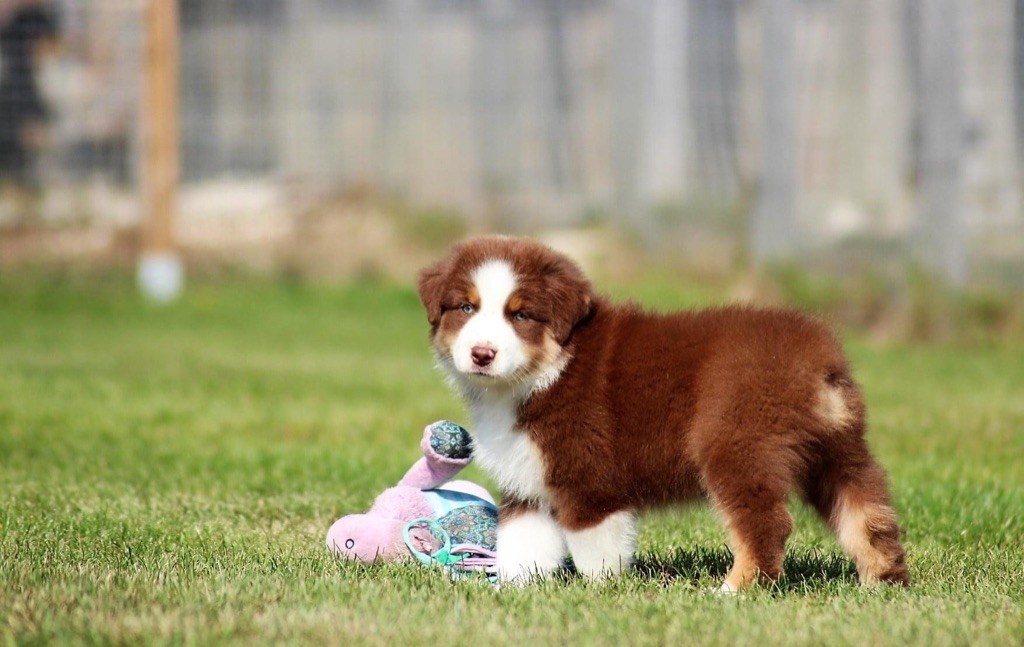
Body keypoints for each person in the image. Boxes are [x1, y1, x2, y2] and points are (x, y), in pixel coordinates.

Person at [0, 0, 59, 192]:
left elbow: (52, 47)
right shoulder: (14, 19)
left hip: (25, 95)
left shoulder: (36, 16)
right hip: (13, 94)